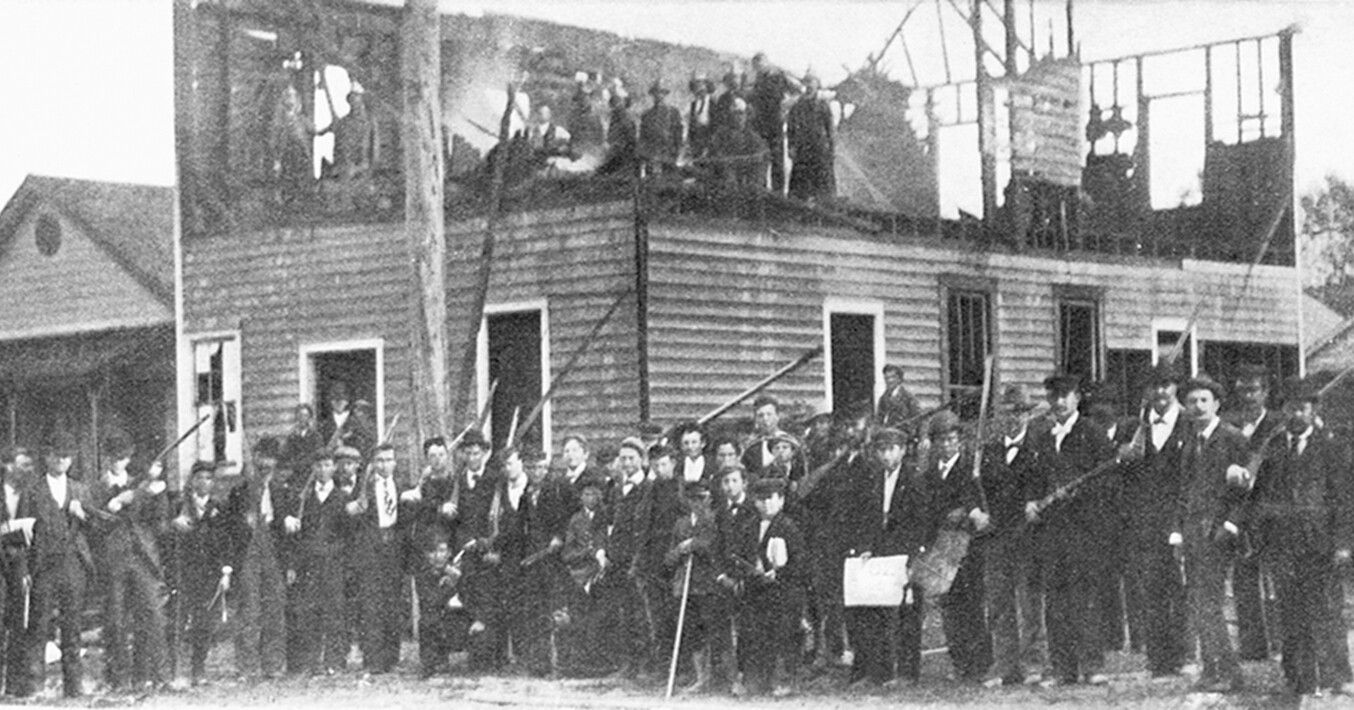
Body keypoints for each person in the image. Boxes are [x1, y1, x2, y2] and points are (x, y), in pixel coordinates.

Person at [1252, 376, 1354, 698]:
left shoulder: (1332, 447)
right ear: (1282, 411)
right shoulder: (1273, 447)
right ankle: (1299, 678)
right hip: (1283, 545)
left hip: (1320, 543)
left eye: (1302, 409)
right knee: (1290, 611)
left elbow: (1343, 499)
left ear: (1314, 410)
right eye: (1290, 409)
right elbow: (1260, 494)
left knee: (1326, 610)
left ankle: (1338, 675)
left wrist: (1342, 544)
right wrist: (1263, 538)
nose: (1296, 415)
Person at [1023, 373, 1115, 687]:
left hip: (1083, 530)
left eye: (1066, 395)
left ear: (1077, 398)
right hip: (1052, 531)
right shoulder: (1042, 436)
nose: (1060, 402)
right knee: (1056, 600)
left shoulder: (1092, 432)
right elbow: (1034, 479)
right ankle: (1063, 668)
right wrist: (1032, 502)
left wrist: (1078, 495)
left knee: (1084, 598)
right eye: (1054, 396)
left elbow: (1107, 480)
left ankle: (1092, 665)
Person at [842, 427, 935, 688]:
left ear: (903, 450)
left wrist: (912, 556)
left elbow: (921, 522)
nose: (886, 455)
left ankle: (907, 673)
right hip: (880, 553)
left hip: (906, 553)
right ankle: (877, 670)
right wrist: (866, 547)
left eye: (891, 449)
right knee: (874, 610)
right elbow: (867, 518)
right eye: (881, 450)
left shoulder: (915, 478)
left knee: (908, 613)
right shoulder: (873, 478)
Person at [1176, 375, 1250, 693]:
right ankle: (1210, 670)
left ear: (1217, 403)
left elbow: (1247, 490)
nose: (1198, 406)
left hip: (1218, 533)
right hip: (1193, 532)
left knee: (1209, 602)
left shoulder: (1232, 438)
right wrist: (1177, 532)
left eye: (1204, 400)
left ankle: (1230, 672)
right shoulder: (1190, 440)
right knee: (1199, 602)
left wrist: (1231, 525)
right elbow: (1183, 490)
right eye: (1192, 401)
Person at [1116, 363, 1189, 678]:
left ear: (1175, 389)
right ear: (1147, 391)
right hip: (1144, 523)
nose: (1161, 392)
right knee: (1152, 590)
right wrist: (1123, 457)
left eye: (1167, 385)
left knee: (1182, 589)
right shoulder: (1135, 428)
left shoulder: (1189, 424)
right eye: (1155, 386)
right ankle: (1158, 660)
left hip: (1180, 520)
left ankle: (1184, 656)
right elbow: (1123, 476)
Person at [91, 433, 170, 692]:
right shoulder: (96, 487)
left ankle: (153, 676)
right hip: (112, 559)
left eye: (123, 457)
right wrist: (114, 503)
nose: (119, 462)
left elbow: (157, 521)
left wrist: (154, 490)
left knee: (152, 614)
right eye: (114, 457)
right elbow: (94, 523)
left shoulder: (141, 484)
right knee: (115, 620)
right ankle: (119, 679)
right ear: (106, 458)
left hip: (141, 558)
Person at [979, 384, 1048, 686]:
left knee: (1029, 602)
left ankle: (1032, 663)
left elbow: (1046, 484)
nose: (1015, 418)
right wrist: (974, 510)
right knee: (999, 602)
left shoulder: (1039, 446)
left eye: (1021, 412)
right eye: (1009, 412)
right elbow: (975, 488)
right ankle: (1004, 665)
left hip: (1028, 535)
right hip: (997, 536)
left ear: (1029, 415)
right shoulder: (989, 451)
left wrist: (1036, 504)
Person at [18, 431, 94, 698]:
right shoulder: (33, 490)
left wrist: (81, 513)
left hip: (73, 565)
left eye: (66, 456)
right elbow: (22, 535)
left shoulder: (81, 490)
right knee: (38, 627)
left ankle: (74, 688)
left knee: (72, 628)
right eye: (57, 455)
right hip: (44, 567)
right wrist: (26, 570)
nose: (62, 460)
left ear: (71, 460)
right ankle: (34, 687)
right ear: (47, 457)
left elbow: (95, 528)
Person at [927, 411, 992, 683]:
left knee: (972, 605)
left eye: (951, 439)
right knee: (948, 605)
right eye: (940, 441)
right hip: (943, 546)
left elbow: (981, 507)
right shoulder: (930, 474)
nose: (946, 445)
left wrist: (966, 512)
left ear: (960, 441)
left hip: (968, 547)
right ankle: (959, 660)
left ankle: (979, 663)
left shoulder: (970, 470)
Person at [227, 436, 294, 681]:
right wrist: (243, 523)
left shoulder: (282, 491)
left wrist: (288, 564)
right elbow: (229, 528)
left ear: (275, 463)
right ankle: (246, 666)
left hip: (273, 557)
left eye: (270, 459)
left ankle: (273, 665)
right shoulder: (239, 492)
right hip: (248, 557)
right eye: (261, 458)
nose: (265, 463)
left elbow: (288, 533)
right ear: (254, 459)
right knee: (249, 610)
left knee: (275, 609)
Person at [1225, 363, 1280, 661]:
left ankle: (1280, 641)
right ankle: (1253, 646)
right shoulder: (1229, 424)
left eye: (1255, 390)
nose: (1249, 396)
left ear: (1265, 392)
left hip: (1270, 510)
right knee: (1244, 580)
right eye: (1244, 389)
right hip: (1238, 511)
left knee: (1275, 581)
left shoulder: (1278, 424)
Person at [736, 477, 807, 696]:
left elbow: (799, 562)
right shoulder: (749, 527)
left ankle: (784, 680)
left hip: (782, 591)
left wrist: (776, 573)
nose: (766, 504)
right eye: (760, 500)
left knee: (783, 635)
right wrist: (749, 573)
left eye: (771, 499)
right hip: (756, 590)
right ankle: (754, 680)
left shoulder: (788, 527)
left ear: (781, 500)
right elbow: (740, 556)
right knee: (752, 634)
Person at [343, 442, 408, 674]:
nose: (384, 464)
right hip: (371, 549)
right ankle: (373, 659)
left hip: (394, 549)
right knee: (371, 605)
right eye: (379, 460)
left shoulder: (402, 486)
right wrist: (351, 509)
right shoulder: (364, 486)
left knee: (392, 603)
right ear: (373, 463)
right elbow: (346, 512)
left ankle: (391, 657)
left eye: (389, 460)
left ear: (395, 462)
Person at [170, 461, 234, 685]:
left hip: (209, 573)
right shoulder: (179, 505)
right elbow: (165, 536)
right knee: (178, 620)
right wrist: (173, 524)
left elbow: (227, 542)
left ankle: (199, 669)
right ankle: (174, 671)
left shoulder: (219, 508)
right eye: (199, 478)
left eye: (208, 478)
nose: (204, 482)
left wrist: (225, 571)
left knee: (204, 623)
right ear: (192, 480)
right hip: (184, 572)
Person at [595, 437, 655, 677]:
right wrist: (602, 551)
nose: (627, 463)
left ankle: (647, 666)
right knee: (624, 614)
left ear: (642, 460)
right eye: (624, 459)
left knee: (643, 614)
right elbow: (606, 523)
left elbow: (648, 529)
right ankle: (628, 664)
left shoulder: (649, 489)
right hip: (616, 562)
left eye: (632, 458)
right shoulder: (616, 489)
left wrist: (638, 560)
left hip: (638, 561)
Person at [289, 447, 349, 675]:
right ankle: (311, 661)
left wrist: (338, 555)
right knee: (310, 612)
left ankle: (334, 661)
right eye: (319, 466)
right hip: (310, 564)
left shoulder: (343, 497)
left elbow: (348, 534)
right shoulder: (304, 499)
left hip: (334, 563)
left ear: (334, 468)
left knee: (335, 613)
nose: (323, 470)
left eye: (327, 465)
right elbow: (297, 536)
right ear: (313, 469)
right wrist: (295, 564)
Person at [664, 479, 719, 694]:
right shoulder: (681, 524)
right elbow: (669, 558)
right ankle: (700, 677)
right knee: (691, 631)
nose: (698, 503)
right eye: (694, 499)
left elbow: (713, 547)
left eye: (703, 498)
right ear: (687, 501)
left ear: (709, 499)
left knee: (709, 630)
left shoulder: (713, 521)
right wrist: (680, 551)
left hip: (706, 585)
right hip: (684, 585)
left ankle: (714, 677)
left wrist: (695, 544)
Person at [713, 464, 757, 694]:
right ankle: (733, 677)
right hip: (726, 580)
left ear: (744, 483)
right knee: (728, 631)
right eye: (725, 482)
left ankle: (750, 676)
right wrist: (721, 575)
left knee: (749, 629)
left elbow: (755, 548)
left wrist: (744, 578)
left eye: (734, 481)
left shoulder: (754, 509)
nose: (730, 486)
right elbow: (716, 548)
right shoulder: (720, 513)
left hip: (748, 580)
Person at [0, 447, 35, 696]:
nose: (28, 471)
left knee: (19, 624)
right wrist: (11, 527)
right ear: (8, 466)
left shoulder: (31, 494)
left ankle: (15, 686)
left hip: (20, 564)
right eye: (23, 465)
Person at [748, 52, 800, 192]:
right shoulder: (758, 80)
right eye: (755, 66)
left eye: (759, 65)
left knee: (777, 159)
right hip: (760, 124)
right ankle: (763, 189)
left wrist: (787, 104)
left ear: (766, 63)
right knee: (761, 158)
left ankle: (778, 191)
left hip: (775, 123)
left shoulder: (779, 76)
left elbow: (799, 90)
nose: (757, 68)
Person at [786, 71, 835, 201]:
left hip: (819, 148)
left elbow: (830, 129)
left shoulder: (823, 106)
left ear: (817, 86)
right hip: (802, 149)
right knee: (800, 183)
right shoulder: (797, 107)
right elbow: (790, 128)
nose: (809, 86)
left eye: (812, 83)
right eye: (806, 83)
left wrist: (831, 148)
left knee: (823, 183)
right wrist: (791, 146)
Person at [705, 97, 769, 190]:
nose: (739, 117)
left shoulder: (753, 136)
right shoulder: (721, 135)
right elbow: (715, 154)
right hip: (727, 176)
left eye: (741, 114)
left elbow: (760, 157)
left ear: (746, 115)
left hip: (748, 176)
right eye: (735, 114)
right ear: (730, 116)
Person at [637, 80, 684, 174]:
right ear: (653, 95)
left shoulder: (673, 112)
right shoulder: (647, 115)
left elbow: (678, 134)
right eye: (656, 93)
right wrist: (642, 155)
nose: (659, 96)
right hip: (651, 154)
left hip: (668, 153)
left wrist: (678, 153)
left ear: (665, 95)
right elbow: (642, 137)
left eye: (662, 92)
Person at [318, 382, 373, 454]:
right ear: (330, 401)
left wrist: (347, 439)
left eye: (342, 399)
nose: (338, 402)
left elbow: (365, 442)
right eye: (334, 399)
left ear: (347, 401)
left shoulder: (356, 421)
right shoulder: (324, 424)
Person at [740, 395, 783, 479]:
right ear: (756, 419)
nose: (765, 419)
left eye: (769, 414)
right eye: (760, 415)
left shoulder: (790, 441)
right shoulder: (752, 447)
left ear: (778, 416)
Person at [877, 364, 921, 431]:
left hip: (903, 435)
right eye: (886, 378)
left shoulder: (908, 398)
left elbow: (916, 419)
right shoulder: (883, 398)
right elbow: (879, 419)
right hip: (886, 435)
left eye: (892, 377)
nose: (889, 381)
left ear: (899, 379)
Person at [282, 403, 323, 475]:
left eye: (305, 415)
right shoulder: (291, 437)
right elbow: (287, 454)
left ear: (310, 418)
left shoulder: (316, 436)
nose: (302, 418)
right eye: (300, 415)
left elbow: (318, 454)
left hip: (310, 472)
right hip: (294, 472)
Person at [686, 75, 716, 160]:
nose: (699, 89)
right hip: (696, 139)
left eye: (702, 84)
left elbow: (716, 124)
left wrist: (710, 141)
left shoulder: (713, 103)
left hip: (709, 136)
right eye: (696, 86)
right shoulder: (693, 104)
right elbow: (691, 124)